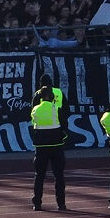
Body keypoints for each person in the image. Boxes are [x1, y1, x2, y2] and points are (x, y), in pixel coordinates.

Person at [29, 83, 67, 211]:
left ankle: (37, 203)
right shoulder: (56, 109)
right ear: (52, 97)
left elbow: (34, 124)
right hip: (56, 146)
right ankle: (61, 204)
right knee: (59, 176)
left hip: (40, 147)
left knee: (39, 175)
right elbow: (64, 126)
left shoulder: (35, 109)